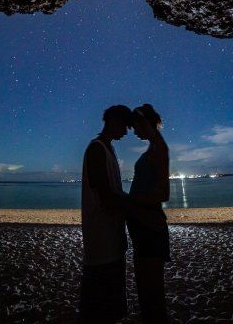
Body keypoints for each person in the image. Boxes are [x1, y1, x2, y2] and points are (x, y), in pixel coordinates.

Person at [78, 105, 133, 323]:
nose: (126, 132)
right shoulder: (97, 149)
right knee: (99, 295)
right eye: (124, 126)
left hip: (111, 232)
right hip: (101, 234)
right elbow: (105, 194)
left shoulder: (108, 149)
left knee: (109, 294)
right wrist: (133, 206)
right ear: (113, 121)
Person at [126, 103, 170, 323]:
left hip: (151, 228)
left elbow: (164, 192)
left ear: (145, 123)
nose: (134, 132)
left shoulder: (159, 149)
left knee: (151, 291)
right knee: (145, 289)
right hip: (143, 227)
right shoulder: (153, 148)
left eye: (136, 126)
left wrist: (130, 200)